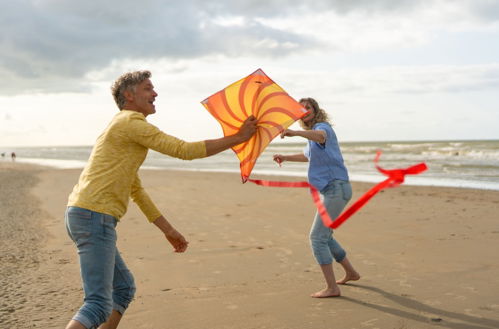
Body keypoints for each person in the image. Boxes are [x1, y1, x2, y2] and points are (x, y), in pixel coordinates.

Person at [64, 70, 257, 329]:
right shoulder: (130, 122)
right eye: (148, 88)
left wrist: (168, 230)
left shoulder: (123, 128)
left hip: (86, 214)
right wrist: (238, 138)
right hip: (93, 216)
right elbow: (183, 150)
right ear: (129, 95)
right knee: (98, 303)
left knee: (123, 290)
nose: (155, 93)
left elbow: (137, 190)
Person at [273, 97, 360, 298]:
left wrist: (295, 132)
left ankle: (332, 288)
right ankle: (351, 273)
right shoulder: (312, 137)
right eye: (301, 109)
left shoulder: (322, 127)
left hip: (336, 188)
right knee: (326, 236)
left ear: (315, 110)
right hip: (332, 189)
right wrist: (285, 157)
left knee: (316, 238)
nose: (305, 110)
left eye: (309, 107)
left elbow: (320, 136)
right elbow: (308, 155)